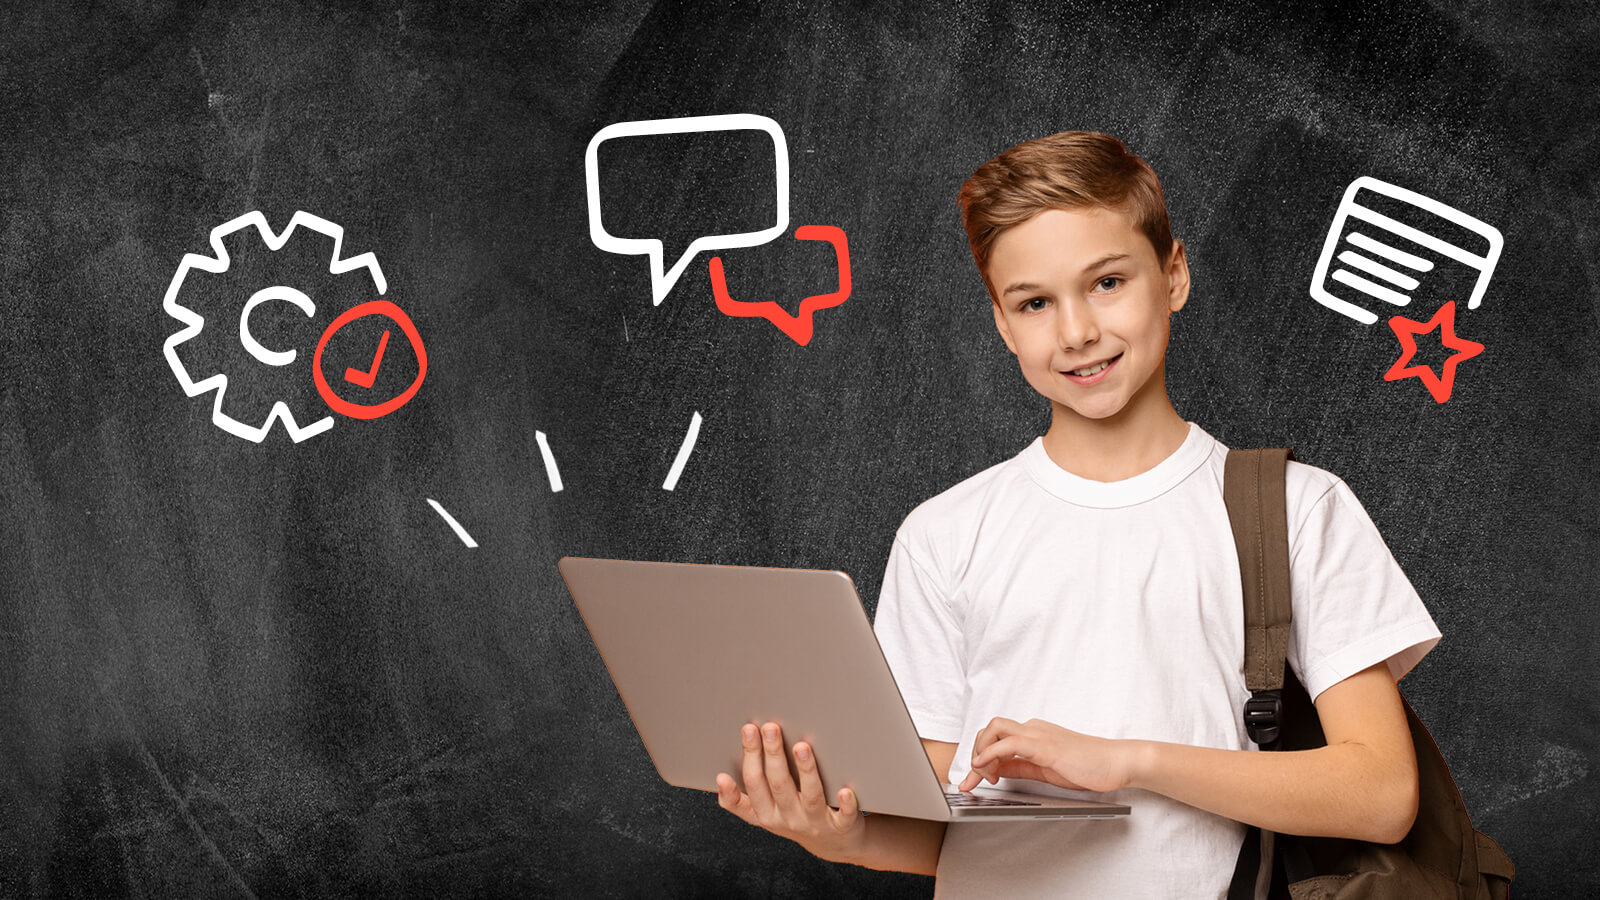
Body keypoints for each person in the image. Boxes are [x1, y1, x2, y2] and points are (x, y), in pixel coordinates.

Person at [713, 131, 1443, 899]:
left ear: (1173, 275)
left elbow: (1381, 794)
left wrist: (1128, 761)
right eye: (1035, 303)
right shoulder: (942, 535)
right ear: (1003, 325)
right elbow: (940, 827)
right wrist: (843, 835)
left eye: (1107, 283)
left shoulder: (1295, 510)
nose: (1076, 332)